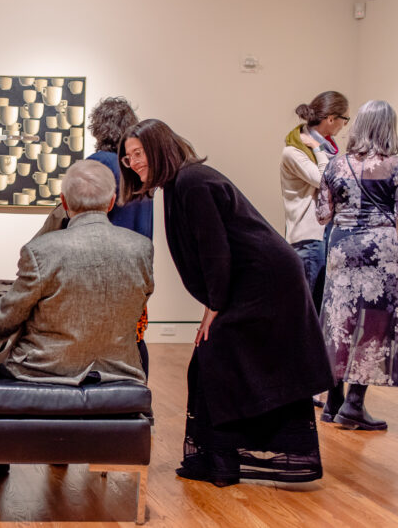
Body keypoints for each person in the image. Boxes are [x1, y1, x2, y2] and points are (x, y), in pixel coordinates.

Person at [119, 118, 334, 487]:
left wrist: (213, 310)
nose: (134, 162)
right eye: (128, 157)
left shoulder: (191, 181)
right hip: (253, 278)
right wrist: (212, 307)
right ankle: (218, 456)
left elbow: (215, 252)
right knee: (211, 358)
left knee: (216, 355)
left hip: (267, 282)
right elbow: (213, 254)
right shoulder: (180, 183)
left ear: (158, 148)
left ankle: (224, 457)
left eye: (138, 153)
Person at [0, 160, 153, 386]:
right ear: (112, 202)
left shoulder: (40, 250)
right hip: (120, 369)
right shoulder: (142, 248)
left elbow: (4, 321)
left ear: (63, 201)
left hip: (45, 369)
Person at [35, 97, 154, 375]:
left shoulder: (94, 166)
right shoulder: (138, 173)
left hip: (93, 275)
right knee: (131, 340)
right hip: (133, 274)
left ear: (97, 128)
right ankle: (135, 397)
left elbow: (69, 219)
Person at [316, 100, 398, 431]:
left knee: (338, 319)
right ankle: (354, 403)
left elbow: (323, 214)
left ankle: (332, 401)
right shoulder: (394, 167)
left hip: (342, 246)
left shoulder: (336, 166)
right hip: (382, 249)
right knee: (374, 323)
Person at [281, 91, 349, 311]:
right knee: (307, 309)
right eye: (344, 119)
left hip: (324, 236)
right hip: (308, 238)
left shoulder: (327, 149)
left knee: (319, 307)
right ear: (331, 119)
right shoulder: (294, 152)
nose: (345, 125)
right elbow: (324, 180)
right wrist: (319, 149)